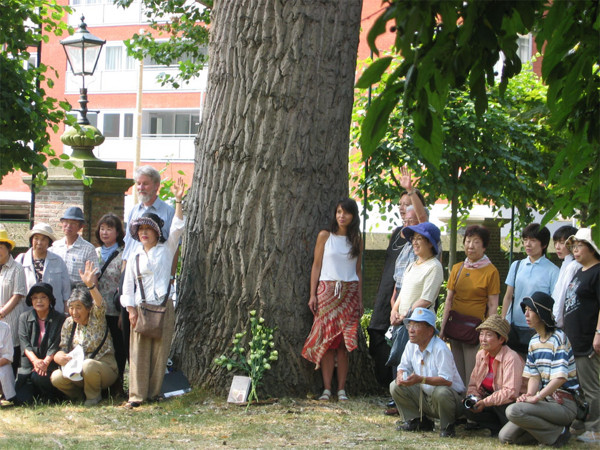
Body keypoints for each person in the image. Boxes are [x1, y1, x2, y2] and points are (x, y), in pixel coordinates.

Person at [120, 177, 186, 409]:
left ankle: (155, 392)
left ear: (157, 232)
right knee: (138, 354)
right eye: (141, 230)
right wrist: (130, 310)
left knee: (160, 352)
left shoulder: (166, 249)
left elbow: (177, 227)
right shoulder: (135, 256)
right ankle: (136, 396)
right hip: (140, 307)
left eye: (149, 229)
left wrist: (178, 200)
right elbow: (128, 286)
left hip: (163, 305)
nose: (144, 233)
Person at [367, 169, 427, 389]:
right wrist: (392, 302)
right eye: (401, 204)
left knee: (404, 342)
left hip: (410, 297)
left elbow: (422, 219)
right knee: (376, 333)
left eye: (408, 203)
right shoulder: (396, 233)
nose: (403, 208)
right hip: (390, 295)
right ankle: (387, 384)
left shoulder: (422, 234)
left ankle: (398, 389)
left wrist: (410, 190)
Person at [499, 292, 579, 447]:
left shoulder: (558, 338)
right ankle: (554, 431)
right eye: (525, 310)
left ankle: (558, 433)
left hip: (563, 403)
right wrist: (529, 394)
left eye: (531, 310)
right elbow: (534, 376)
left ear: (542, 313)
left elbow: (560, 377)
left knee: (513, 411)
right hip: (545, 402)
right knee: (506, 437)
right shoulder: (534, 341)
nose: (526, 314)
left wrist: (537, 397)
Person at [302, 198, 363, 402]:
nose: (341, 216)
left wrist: (360, 299)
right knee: (327, 342)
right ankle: (327, 389)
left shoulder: (357, 239)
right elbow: (316, 266)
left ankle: (342, 389)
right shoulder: (325, 236)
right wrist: (313, 294)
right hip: (327, 291)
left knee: (344, 344)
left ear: (353, 216)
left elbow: (357, 270)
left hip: (349, 293)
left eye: (346, 212)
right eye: (338, 212)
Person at [121, 166, 176, 364]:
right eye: (138, 184)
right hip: (132, 271)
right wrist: (124, 268)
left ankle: (156, 370)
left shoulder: (167, 211)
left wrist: (171, 276)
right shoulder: (134, 210)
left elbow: (173, 246)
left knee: (153, 323)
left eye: (145, 183)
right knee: (130, 321)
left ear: (156, 186)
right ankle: (131, 370)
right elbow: (129, 243)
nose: (141, 187)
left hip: (155, 276)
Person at [390, 307, 465, 438]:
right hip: (426, 396)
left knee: (441, 392)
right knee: (395, 385)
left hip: (451, 400)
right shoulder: (410, 344)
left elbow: (447, 380)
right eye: (410, 325)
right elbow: (403, 366)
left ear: (430, 331)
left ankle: (447, 427)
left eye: (417, 325)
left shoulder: (440, 348)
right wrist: (400, 376)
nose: (411, 330)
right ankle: (418, 421)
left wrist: (421, 379)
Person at [51, 261, 118, 406]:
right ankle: (77, 397)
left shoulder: (96, 317)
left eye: (78, 307)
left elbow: (100, 304)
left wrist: (90, 285)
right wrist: (58, 357)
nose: (74, 312)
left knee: (88, 365)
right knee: (56, 376)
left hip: (103, 367)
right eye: (71, 308)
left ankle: (93, 397)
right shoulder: (69, 323)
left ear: (88, 308)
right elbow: (62, 348)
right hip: (76, 371)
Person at [440, 225, 500, 385]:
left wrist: (489, 332)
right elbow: (449, 300)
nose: (470, 246)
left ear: (484, 246)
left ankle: (470, 404)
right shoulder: (457, 268)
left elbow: (493, 304)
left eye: (476, 242)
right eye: (468, 241)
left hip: (475, 330)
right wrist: (443, 327)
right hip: (455, 327)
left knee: (472, 372)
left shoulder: (491, 271)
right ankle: (458, 405)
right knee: (456, 372)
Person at [563, 228, 600, 444]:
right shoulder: (579, 271)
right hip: (573, 340)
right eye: (573, 247)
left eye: (579, 246)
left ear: (592, 248)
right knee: (577, 386)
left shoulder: (597, 272)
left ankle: (595, 428)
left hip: (588, 339)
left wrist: (598, 333)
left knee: (591, 386)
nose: (575, 251)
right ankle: (581, 422)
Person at [501, 223, 559, 357]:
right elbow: (508, 296)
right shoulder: (516, 266)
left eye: (533, 240)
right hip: (514, 327)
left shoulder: (553, 271)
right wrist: (503, 320)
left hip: (539, 329)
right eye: (525, 240)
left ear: (543, 244)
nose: (528, 244)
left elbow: (554, 302)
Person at [464, 315, 525, 436]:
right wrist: (474, 398)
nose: (483, 339)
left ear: (501, 339)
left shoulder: (511, 358)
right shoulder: (481, 354)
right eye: (481, 334)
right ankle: (495, 428)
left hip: (512, 403)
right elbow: (473, 383)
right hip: (491, 399)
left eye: (489, 335)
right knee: (467, 408)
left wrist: (485, 402)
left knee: (501, 404)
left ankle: (509, 428)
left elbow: (510, 392)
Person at [16, 283, 66, 404]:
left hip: (49, 366)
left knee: (39, 377)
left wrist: (45, 362)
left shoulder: (60, 318)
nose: (39, 301)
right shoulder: (24, 317)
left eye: (43, 297)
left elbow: (56, 344)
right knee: (21, 400)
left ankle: (50, 396)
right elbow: (25, 344)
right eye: (35, 297)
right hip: (29, 366)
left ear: (50, 300)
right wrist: (35, 361)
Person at [390, 222, 443, 330]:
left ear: (430, 243)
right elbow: (402, 292)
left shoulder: (434, 266)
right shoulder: (411, 265)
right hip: (403, 323)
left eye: (419, 238)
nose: (414, 242)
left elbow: (426, 300)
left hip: (420, 325)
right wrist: (394, 311)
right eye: (413, 238)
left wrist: (405, 314)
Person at [94, 213, 127, 391]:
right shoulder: (95, 253)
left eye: (109, 229)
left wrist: (123, 311)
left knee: (117, 347)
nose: (105, 232)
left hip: (115, 310)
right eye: (102, 228)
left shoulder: (123, 254)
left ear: (117, 232)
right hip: (97, 310)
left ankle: (117, 384)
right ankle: (99, 383)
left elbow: (125, 284)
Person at [16, 223, 71, 315]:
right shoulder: (21, 260)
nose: (39, 242)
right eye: (36, 238)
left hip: (54, 314)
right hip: (27, 313)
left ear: (49, 242)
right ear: (31, 240)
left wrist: (66, 314)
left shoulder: (58, 261)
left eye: (43, 239)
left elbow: (66, 292)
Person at [0, 228, 27, 376]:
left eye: (0, 247)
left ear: (8, 248)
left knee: (11, 352)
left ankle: (11, 391)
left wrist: (2, 313)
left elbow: (18, 294)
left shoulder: (17, 268)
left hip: (11, 318)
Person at [51, 207, 99, 288]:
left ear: (81, 227)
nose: (68, 226)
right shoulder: (55, 247)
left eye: (73, 223)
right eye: (66, 222)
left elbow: (93, 277)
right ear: (62, 223)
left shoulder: (88, 249)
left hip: (78, 295)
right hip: (57, 294)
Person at [551, 225, 580, 327]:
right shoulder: (566, 263)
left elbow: (563, 296)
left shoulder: (573, 266)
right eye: (555, 242)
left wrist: (555, 322)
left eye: (562, 243)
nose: (557, 247)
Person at [0, 320, 16, 406]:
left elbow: (8, 356)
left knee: (3, 370)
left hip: (1, 364)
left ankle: (5, 396)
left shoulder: (4, 327)